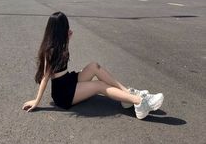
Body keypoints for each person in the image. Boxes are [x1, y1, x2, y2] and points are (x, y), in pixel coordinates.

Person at [22, 12, 164, 119]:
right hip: (63, 94)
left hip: (68, 81)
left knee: (94, 66)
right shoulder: (50, 51)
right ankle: (140, 103)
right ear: (61, 29)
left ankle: (127, 93)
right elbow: (45, 78)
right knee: (99, 85)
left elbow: (60, 63)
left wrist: (67, 40)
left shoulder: (60, 43)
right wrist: (37, 101)